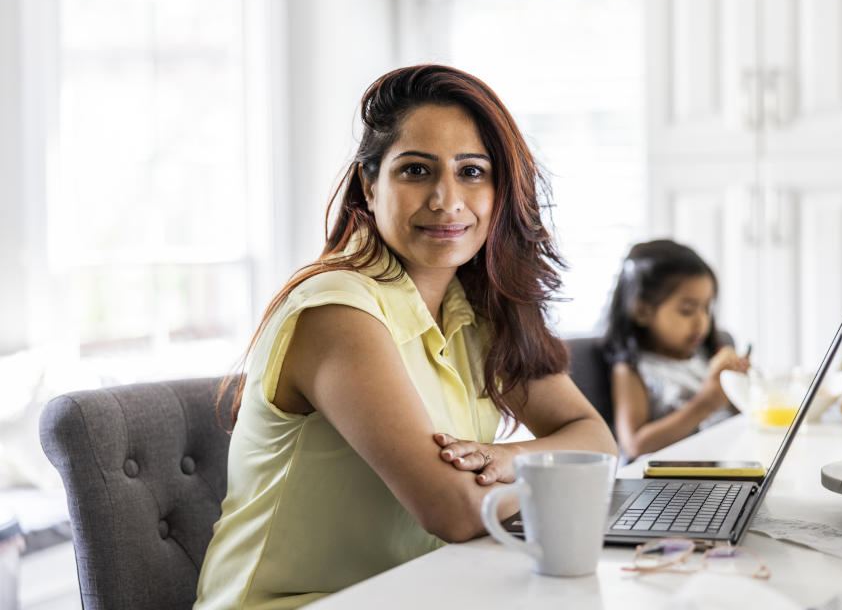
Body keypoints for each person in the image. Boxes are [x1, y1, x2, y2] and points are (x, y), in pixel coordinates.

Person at [194, 65, 617, 609]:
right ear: (370, 186)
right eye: (416, 170)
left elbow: (595, 439)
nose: (446, 199)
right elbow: (458, 511)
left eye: (472, 171)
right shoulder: (337, 311)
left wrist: (508, 457)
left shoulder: (479, 310)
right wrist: (557, 471)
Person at [601, 240, 749, 464]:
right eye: (687, 310)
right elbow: (634, 445)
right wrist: (707, 402)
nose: (701, 321)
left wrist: (741, 388)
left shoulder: (703, 358)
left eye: (706, 308)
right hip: (667, 484)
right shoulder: (631, 368)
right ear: (641, 310)